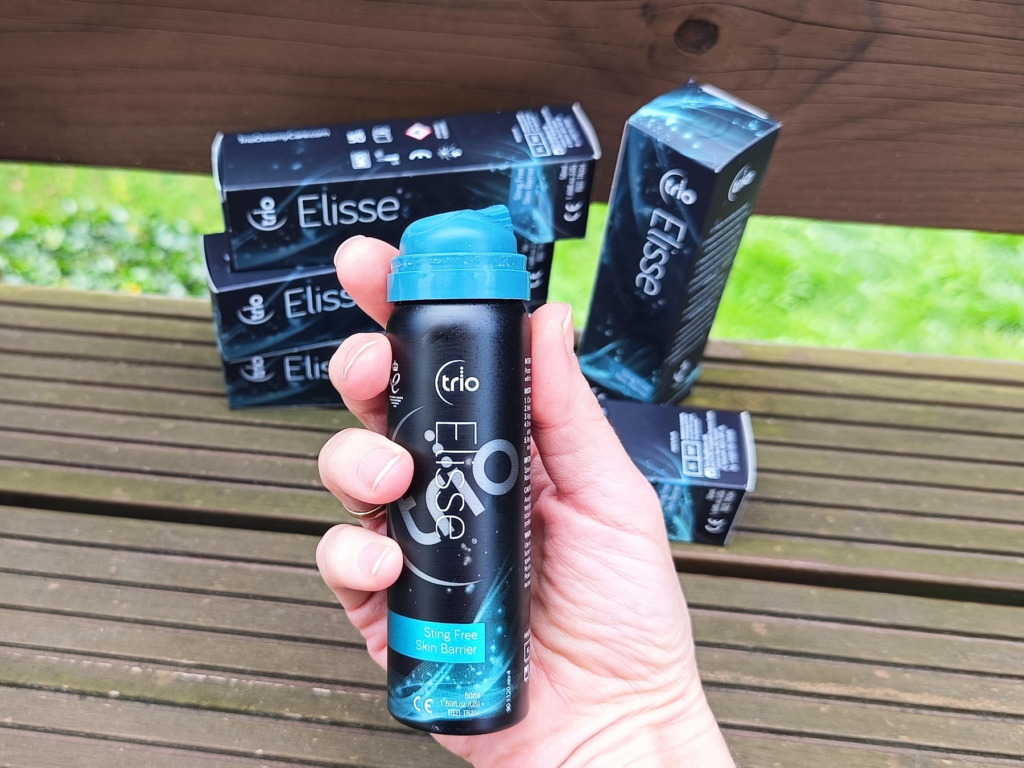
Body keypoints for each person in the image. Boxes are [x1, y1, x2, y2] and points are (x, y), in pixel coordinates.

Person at [315, 235, 735, 767]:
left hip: (588, 693)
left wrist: (633, 719)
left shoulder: (495, 325)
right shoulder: (432, 325)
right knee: (401, 483)